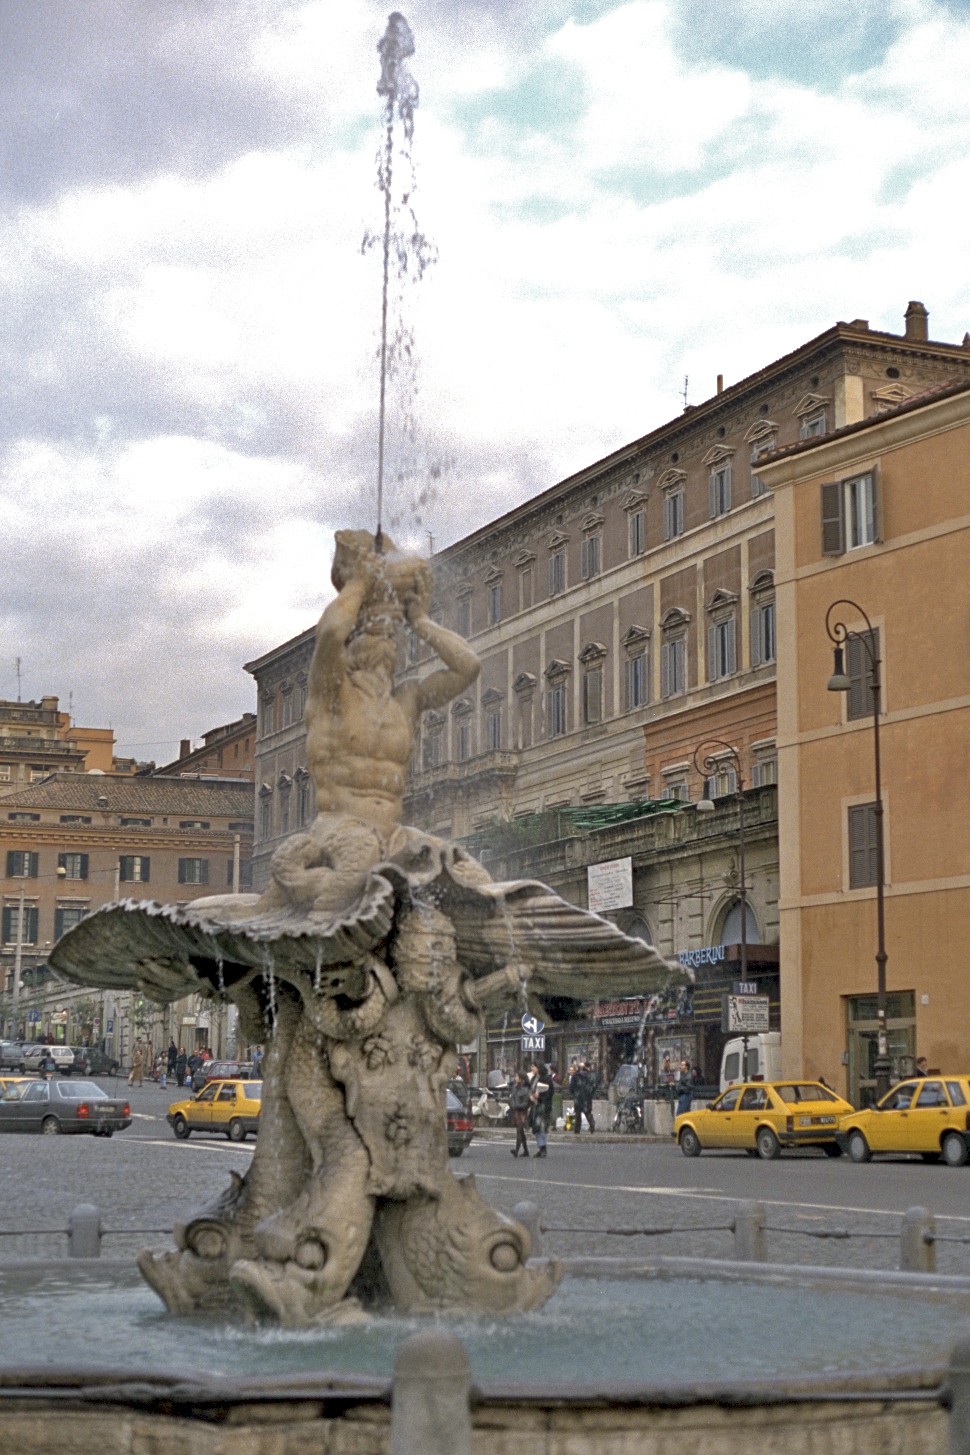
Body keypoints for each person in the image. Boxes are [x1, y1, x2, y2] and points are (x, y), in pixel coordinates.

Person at [305, 530, 480, 840]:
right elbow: (331, 633)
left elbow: (468, 666)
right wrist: (359, 583)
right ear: (353, 639)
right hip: (337, 835)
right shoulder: (331, 689)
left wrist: (420, 620)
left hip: (393, 837)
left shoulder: (406, 700)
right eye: (374, 632)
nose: (385, 641)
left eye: (391, 635)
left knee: (469, 876)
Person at [529, 1062, 553, 1158]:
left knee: (541, 1127)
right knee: (536, 1128)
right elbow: (531, 1089)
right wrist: (531, 1095)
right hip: (535, 1105)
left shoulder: (546, 1079)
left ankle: (543, 1147)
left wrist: (540, 1096)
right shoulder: (534, 1078)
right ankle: (541, 1147)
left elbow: (549, 1092)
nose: (532, 1068)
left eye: (534, 1066)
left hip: (543, 1106)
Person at [509, 1071, 532, 1158]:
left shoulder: (525, 1089)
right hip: (516, 1111)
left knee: (519, 1130)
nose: (515, 1078)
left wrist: (517, 1106)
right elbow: (512, 1097)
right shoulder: (515, 1087)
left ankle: (516, 1150)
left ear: (521, 1079)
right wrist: (512, 1104)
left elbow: (526, 1103)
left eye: (517, 1077)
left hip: (522, 1112)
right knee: (521, 1131)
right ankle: (526, 1150)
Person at [570, 1061, 595, 1134]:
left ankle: (577, 1130)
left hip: (578, 1097)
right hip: (587, 1097)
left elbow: (571, 1087)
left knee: (578, 1114)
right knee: (587, 1112)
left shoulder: (575, 1076)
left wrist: (573, 1094)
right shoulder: (589, 1075)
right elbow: (593, 1086)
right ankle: (591, 1123)